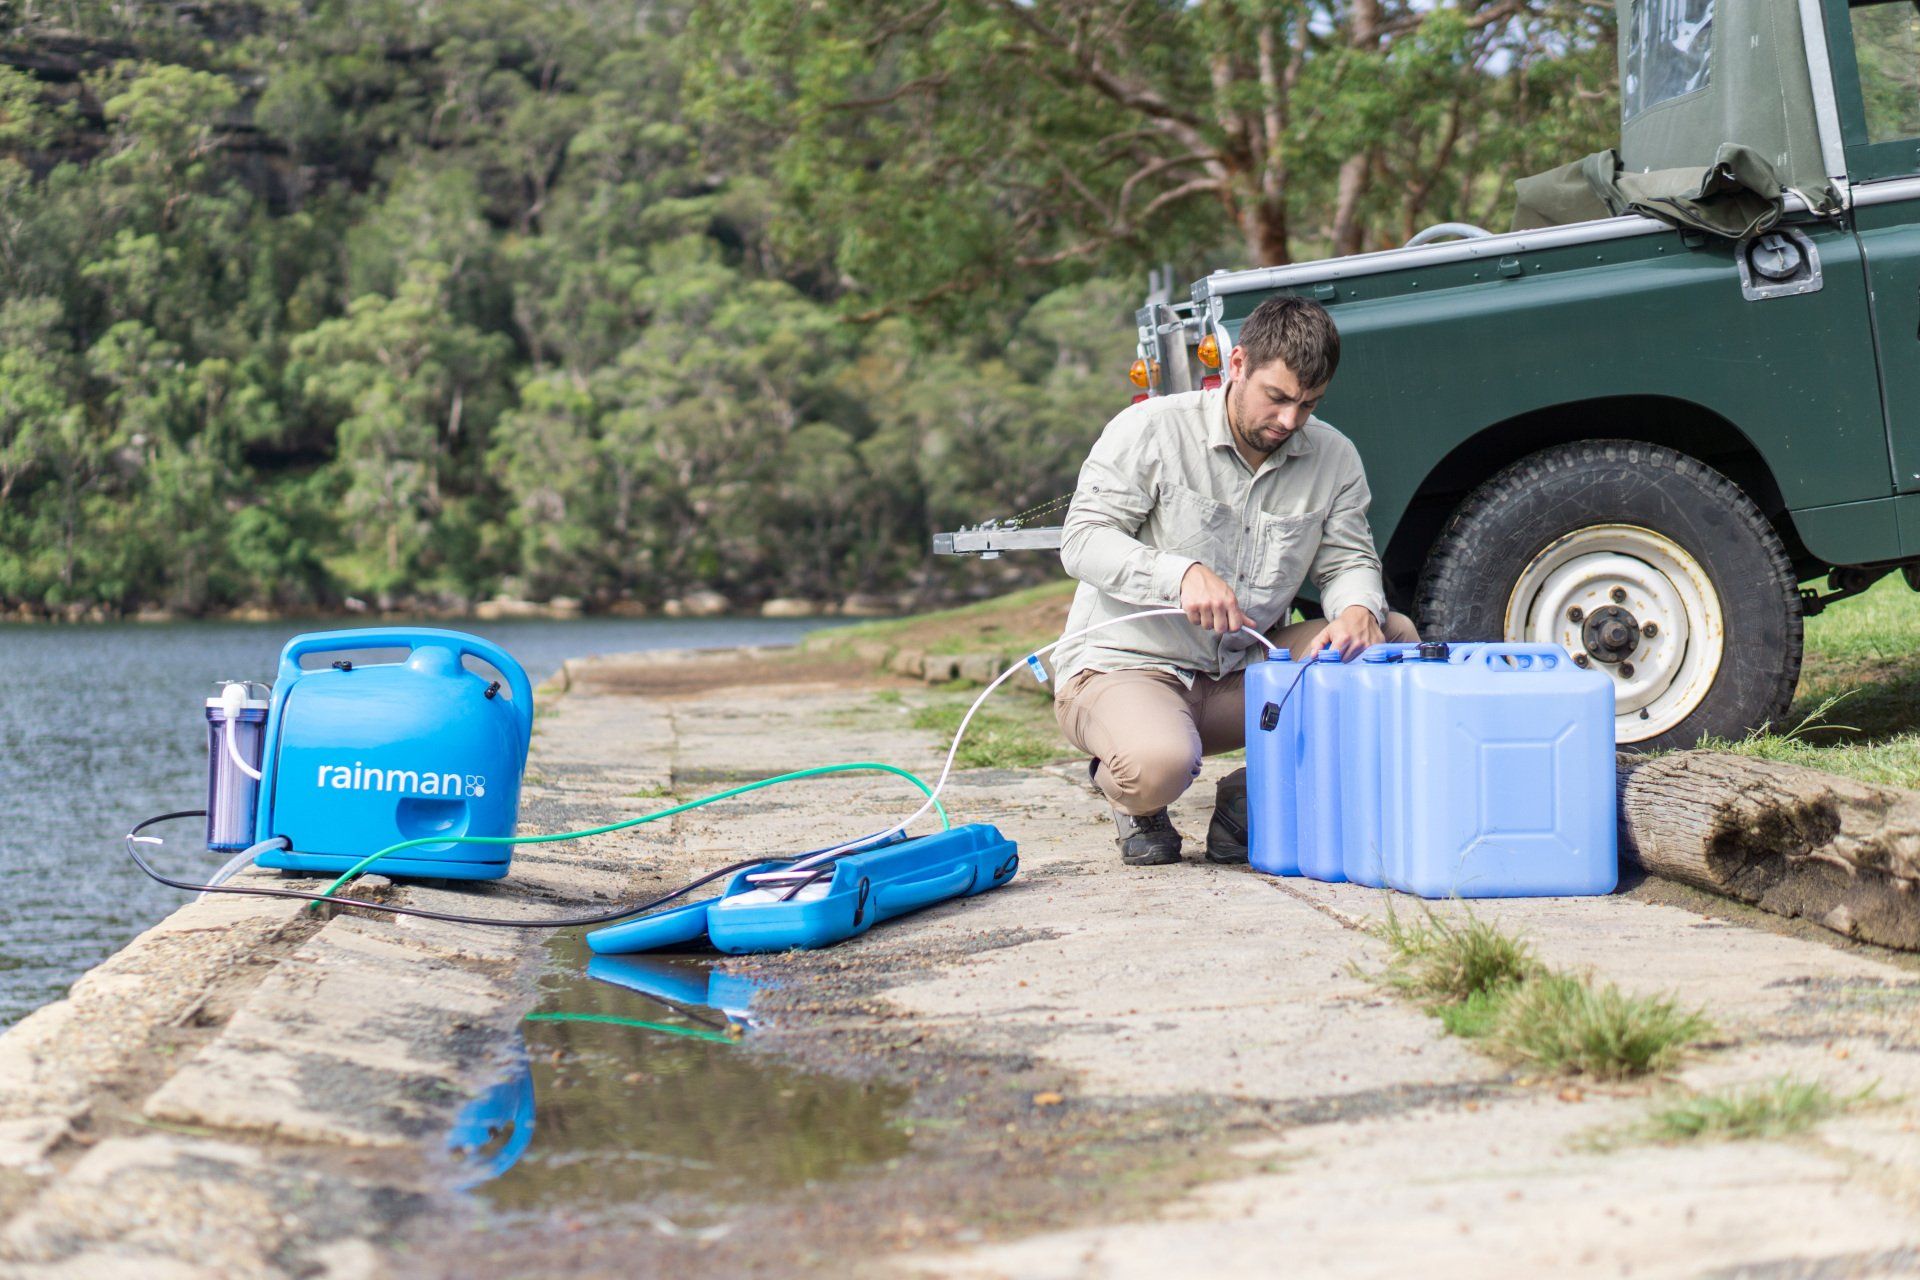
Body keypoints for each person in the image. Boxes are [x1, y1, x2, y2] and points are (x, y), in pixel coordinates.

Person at [1052, 295, 1419, 865]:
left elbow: (1348, 561)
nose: (1290, 421)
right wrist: (1181, 574)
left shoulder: (1335, 456)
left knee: (1392, 639)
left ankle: (1254, 794)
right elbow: (1081, 540)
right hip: (1127, 665)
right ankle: (1134, 792)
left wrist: (1356, 610)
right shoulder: (1150, 429)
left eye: (1309, 403)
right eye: (1277, 398)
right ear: (1239, 364)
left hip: (1246, 673)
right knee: (1157, 766)